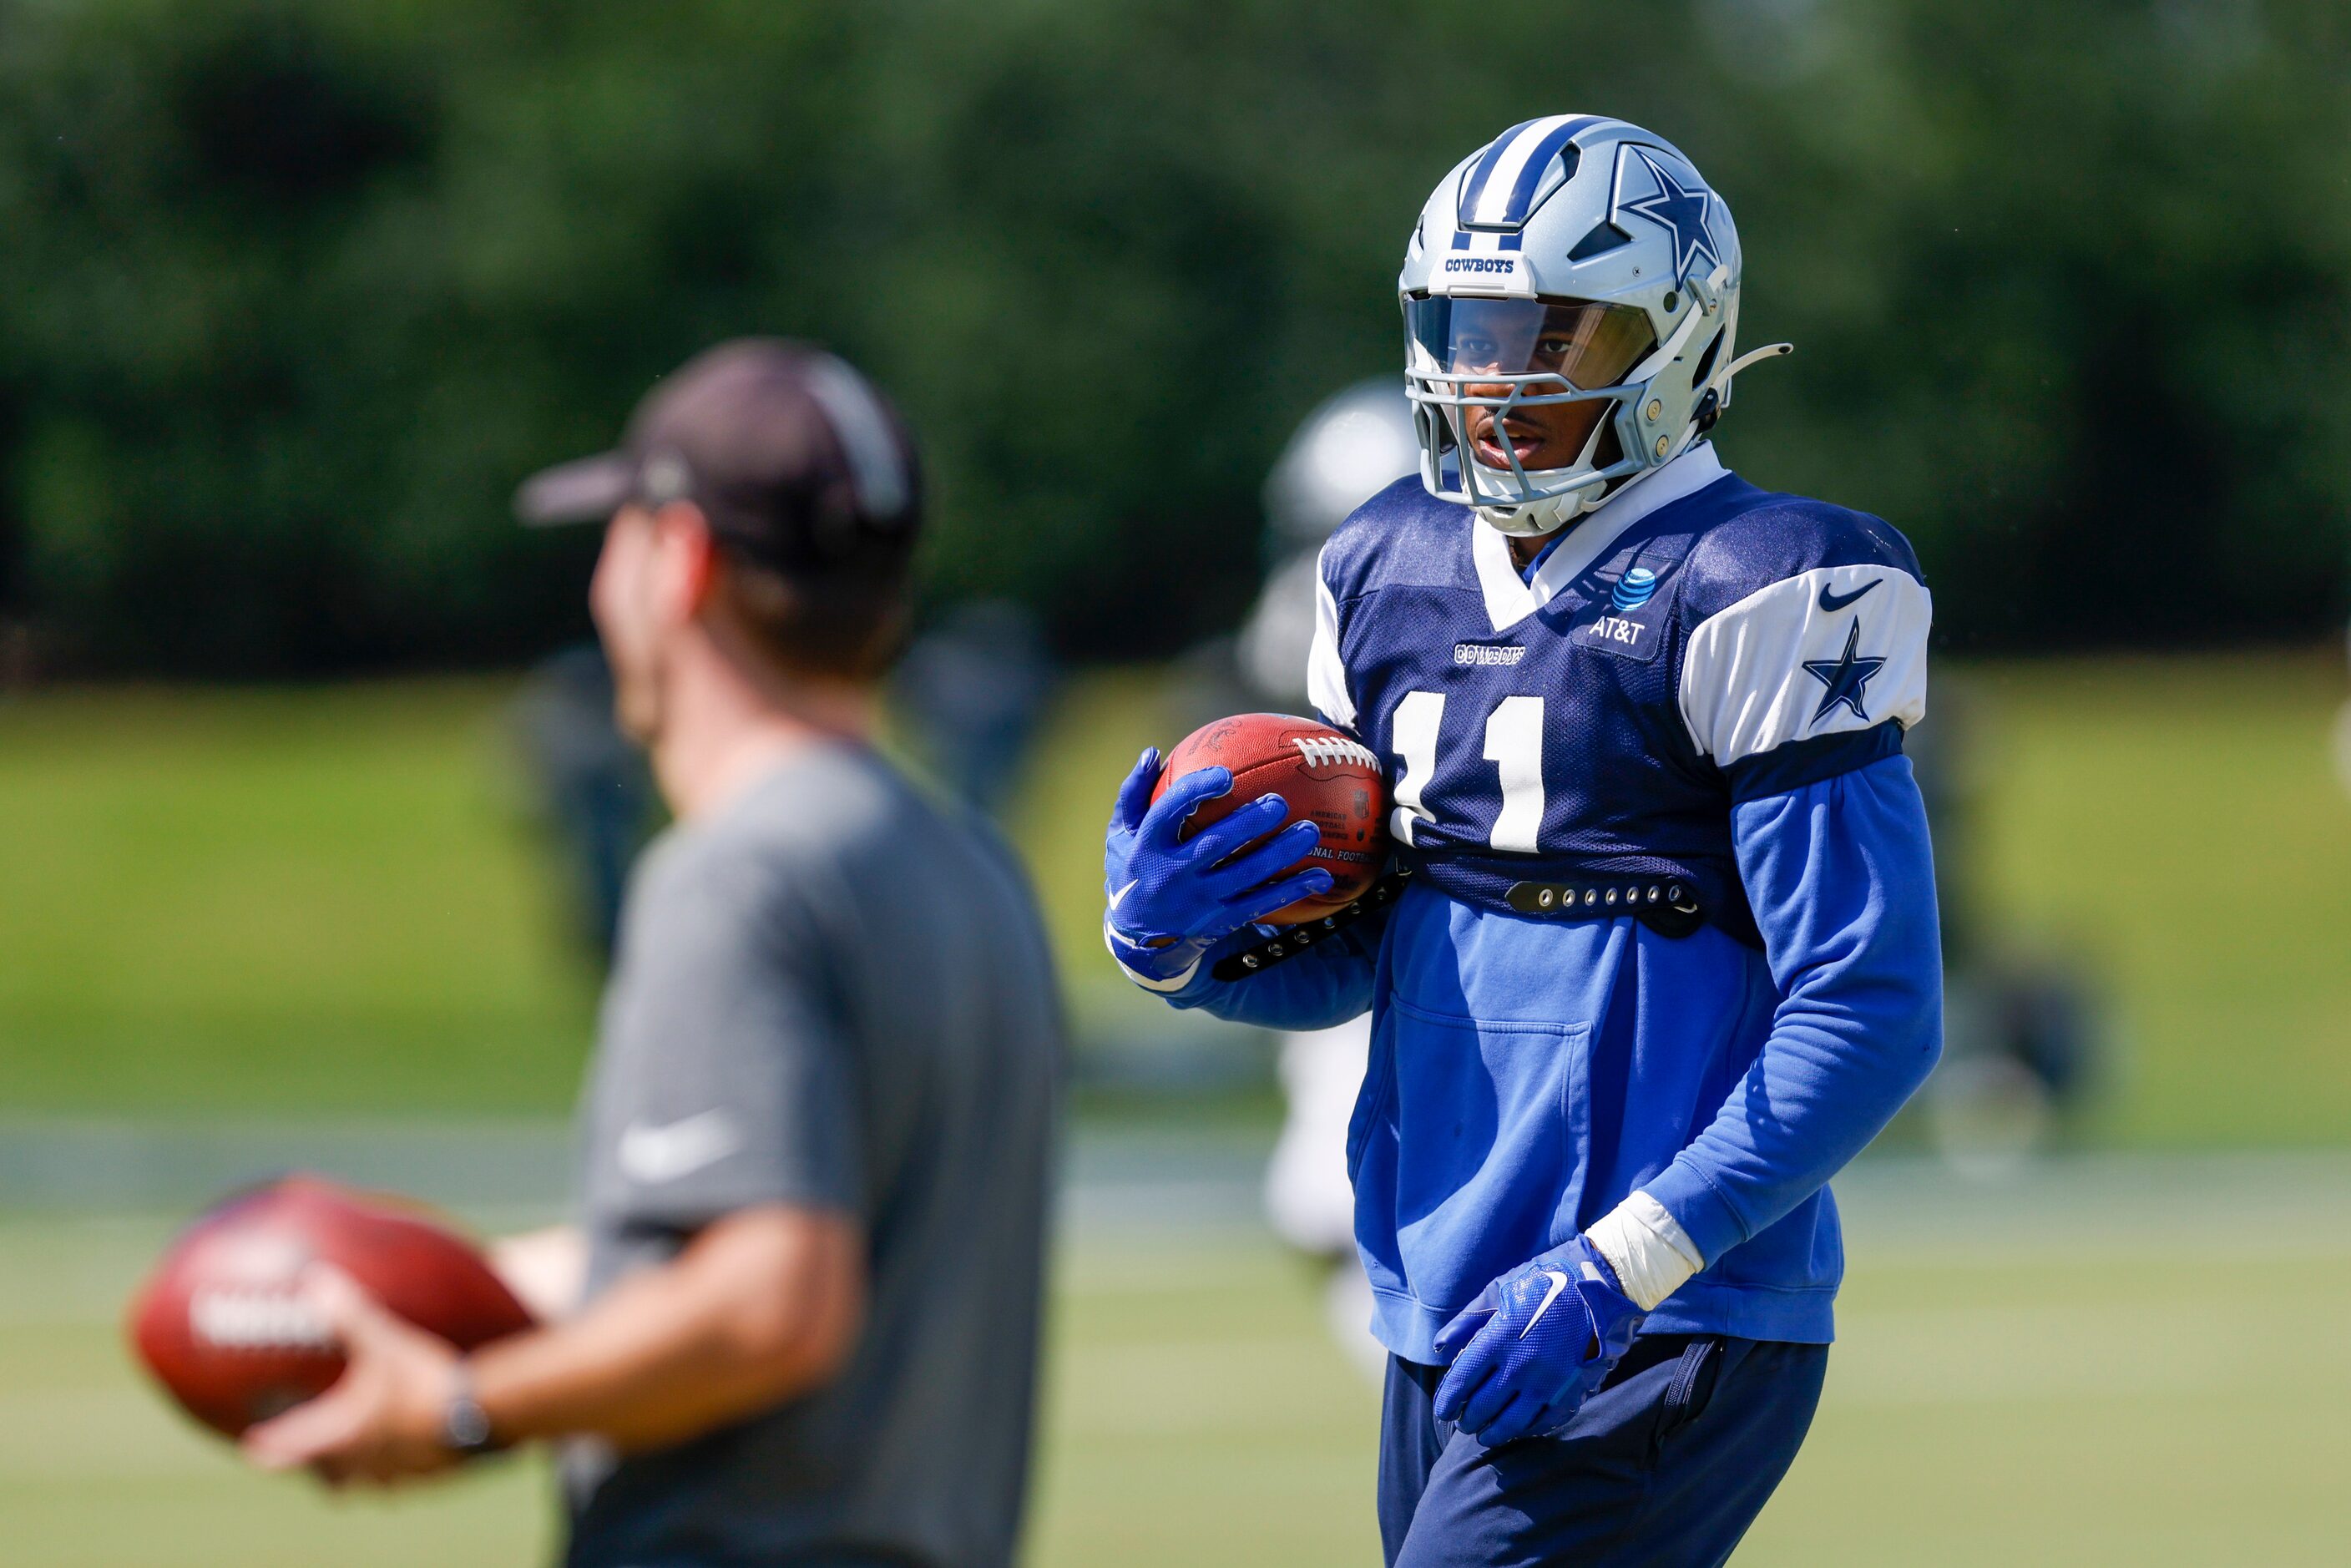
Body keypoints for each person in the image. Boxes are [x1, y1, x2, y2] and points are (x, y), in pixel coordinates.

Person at [1102, 116, 1943, 1565]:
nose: (1501, 370)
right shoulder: (1382, 567)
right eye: (1471, 322)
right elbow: (1371, 952)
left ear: (1679, 337)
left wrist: (1627, 1265)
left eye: (1563, 323)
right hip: (1448, 1289)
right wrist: (1186, 946)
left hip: (1666, 1306)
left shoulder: (1766, 581)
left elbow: (1871, 1006)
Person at [244, 339, 1064, 1568]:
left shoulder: (738, 873)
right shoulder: (968, 867)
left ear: (676, 558)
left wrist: (462, 1413)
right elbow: (795, 1232)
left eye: (616, 532)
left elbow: (771, 1300)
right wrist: (434, 1292)